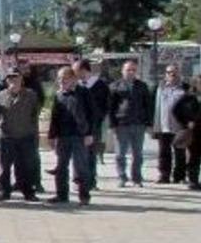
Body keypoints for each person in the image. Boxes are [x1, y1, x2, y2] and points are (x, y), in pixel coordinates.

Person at [46, 66, 95, 206]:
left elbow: (92, 114)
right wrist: (51, 136)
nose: (62, 81)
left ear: (73, 79)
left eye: (65, 78)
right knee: (61, 167)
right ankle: (62, 195)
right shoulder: (58, 95)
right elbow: (54, 118)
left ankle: (84, 196)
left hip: (80, 135)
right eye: (59, 78)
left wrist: (90, 133)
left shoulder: (83, 92)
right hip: (63, 136)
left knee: (81, 167)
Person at [0, 70, 40, 201]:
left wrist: (35, 134)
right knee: (5, 166)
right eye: (10, 78)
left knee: (26, 166)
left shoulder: (31, 95)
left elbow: (35, 115)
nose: (13, 80)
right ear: (7, 80)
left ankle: (28, 192)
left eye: (16, 77)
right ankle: (4, 191)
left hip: (26, 136)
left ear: (21, 79)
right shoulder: (0, 96)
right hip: (7, 137)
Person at [107, 59, 153, 188]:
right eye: (128, 70)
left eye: (133, 70)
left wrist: (149, 124)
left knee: (137, 154)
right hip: (122, 124)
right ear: (122, 71)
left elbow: (148, 105)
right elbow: (110, 107)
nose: (131, 72)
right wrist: (112, 124)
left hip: (139, 124)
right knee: (120, 154)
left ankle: (137, 178)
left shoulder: (142, 86)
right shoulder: (115, 86)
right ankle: (122, 177)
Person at [73, 59, 108, 191]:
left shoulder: (99, 85)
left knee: (91, 154)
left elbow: (105, 105)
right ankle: (78, 180)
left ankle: (91, 181)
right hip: (77, 126)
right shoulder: (76, 85)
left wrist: (97, 119)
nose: (74, 74)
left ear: (83, 70)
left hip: (93, 125)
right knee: (77, 154)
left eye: (75, 71)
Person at [151, 65, 188, 184]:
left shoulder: (185, 88)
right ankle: (164, 176)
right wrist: (152, 125)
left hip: (180, 126)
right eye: (169, 72)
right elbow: (152, 106)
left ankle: (180, 176)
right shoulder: (158, 88)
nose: (172, 74)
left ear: (179, 73)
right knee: (163, 152)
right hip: (163, 125)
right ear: (165, 74)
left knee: (180, 153)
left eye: (175, 72)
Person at [172, 76, 201, 190]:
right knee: (194, 156)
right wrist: (186, 122)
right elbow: (175, 110)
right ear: (195, 84)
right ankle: (193, 180)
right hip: (194, 131)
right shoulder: (188, 97)